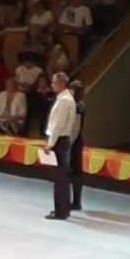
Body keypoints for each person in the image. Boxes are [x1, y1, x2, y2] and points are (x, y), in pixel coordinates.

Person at [44, 72, 76, 220]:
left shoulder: (64, 100)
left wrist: (50, 144)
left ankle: (61, 211)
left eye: (54, 82)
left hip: (59, 140)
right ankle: (63, 209)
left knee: (60, 178)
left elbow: (58, 124)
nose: (52, 85)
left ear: (61, 83)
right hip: (62, 140)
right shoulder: (65, 98)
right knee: (61, 177)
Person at [68, 80, 86, 211]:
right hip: (76, 141)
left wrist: (68, 143)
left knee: (74, 171)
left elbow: (76, 127)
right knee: (75, 172)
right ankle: (75, 201)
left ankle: (76, 201)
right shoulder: (78, 105)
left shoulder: (78, 106)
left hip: (74, 141)